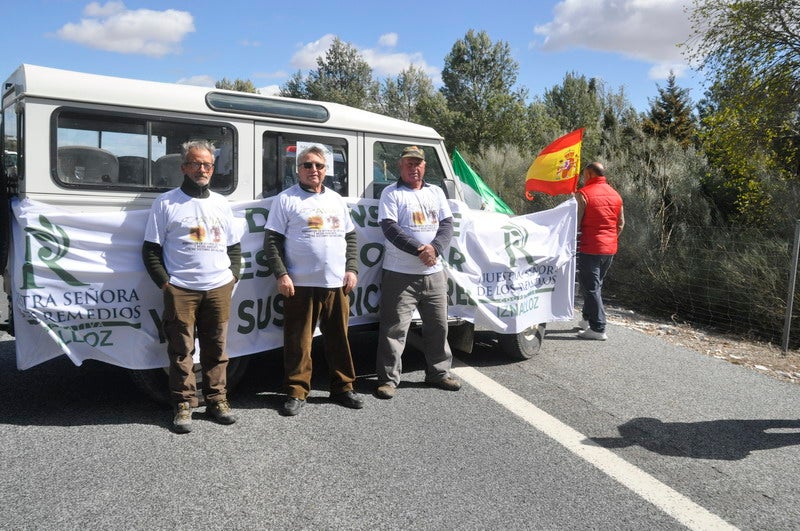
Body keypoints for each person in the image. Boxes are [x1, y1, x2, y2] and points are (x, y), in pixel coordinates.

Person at [142, 139, 242, 433]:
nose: (203, 169)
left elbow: (234, 247)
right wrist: (166, 285)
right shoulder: (166, 203)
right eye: (196, 163)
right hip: (181, 289)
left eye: (208, 164)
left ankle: (217, 400)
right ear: (184, 167)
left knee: (217, 348)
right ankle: (184, 404)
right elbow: (150, 250)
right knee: (181, 350)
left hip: (218, 287)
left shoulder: (222, 204)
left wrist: (232, 276)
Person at [264, 145, 364, 416]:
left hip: (336, 283)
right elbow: (272, 242)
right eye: (307, 165)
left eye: (319, 166)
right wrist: (282, 274)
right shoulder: (286, 199)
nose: (313, 170)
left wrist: (352, 269)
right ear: (298, 169)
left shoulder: (336, 200)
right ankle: (296, 391)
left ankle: (344, 387)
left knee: (339, 339)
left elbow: (351, 237)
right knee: (299, 341)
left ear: (326, 170)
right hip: (300, 284)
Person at [375, 146, 461, 399]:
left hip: (434, 273)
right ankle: (388, 380)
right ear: (400, 166)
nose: (414, 167)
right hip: (399, 273)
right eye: (409, 163)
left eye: (418, 163)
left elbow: (447, 225)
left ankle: (439, 373)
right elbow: (389, 228)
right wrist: (420, 250)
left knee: (438, 326)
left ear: (424, 166)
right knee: (394, 330)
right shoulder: (391, 193)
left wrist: (434, 249)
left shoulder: (436, 192)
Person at [575, 161, 624, 341]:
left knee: (590, 286)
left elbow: (576, 223)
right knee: (596, 285)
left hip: (590, 247)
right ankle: (587, 319)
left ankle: (598, 328)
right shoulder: (616, 194)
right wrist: (610, 237)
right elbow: (621, 223)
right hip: (609, 248)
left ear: (588, 175)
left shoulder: (583, 194)